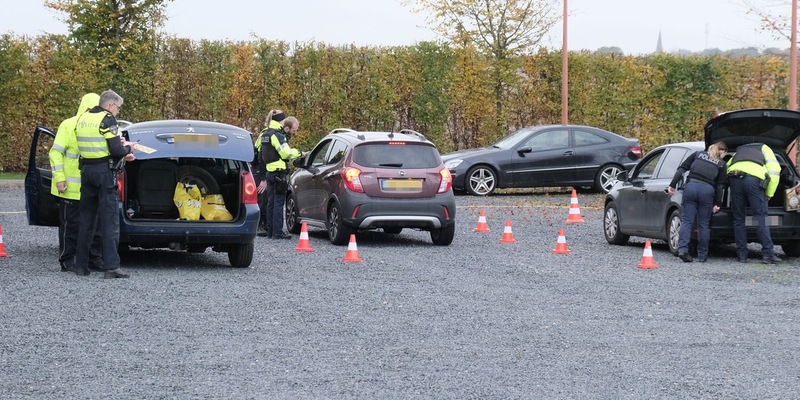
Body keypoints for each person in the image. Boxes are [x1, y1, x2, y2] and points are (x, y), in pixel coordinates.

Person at [73, 90, 138, 278]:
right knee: (109, 221)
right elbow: (116, 151)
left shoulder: (83, 118)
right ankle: (111, 267)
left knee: (86, 220)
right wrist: (129, 148)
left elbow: (94, 143)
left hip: (86, 171)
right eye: (118, 108)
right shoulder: (107, 119)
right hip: (104, 172)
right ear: (110, 105)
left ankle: (81, 266)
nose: (118, 112)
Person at [49, 93, 106, 273]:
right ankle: (67, 259)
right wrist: (59, 178)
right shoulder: (68, 125)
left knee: (95, 226)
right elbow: (55, 153)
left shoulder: (101, 125)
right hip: (70, 187)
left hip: (89, 185)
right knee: (70, 226)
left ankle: (92, 258)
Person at [667, 141, 728, 263]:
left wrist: (672, 185)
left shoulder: (697, 154)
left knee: (687, 221)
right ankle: (702, 255)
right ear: (722, 151)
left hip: (691, 187)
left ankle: (683, 250)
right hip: (707, 190)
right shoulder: (721, 164)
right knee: (703, 224)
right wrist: (718, 204)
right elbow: (720, 186)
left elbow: (681, 169)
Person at [727, 142, 782, 264]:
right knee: (760, 217)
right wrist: (769, 193)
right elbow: (775, 170)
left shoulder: (739, 150)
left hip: (735, 179)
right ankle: (768, 254)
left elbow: (727, 165)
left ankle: (742, 255)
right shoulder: (765, 148)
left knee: (738, 218)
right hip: (754, 181)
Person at [257, 115, 302, 239]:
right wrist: (299, 152)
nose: (295, 132)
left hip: (269, 173)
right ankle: (278, 232)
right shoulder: (277, 135)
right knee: (278, 203)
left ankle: (270, 231)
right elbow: (286, 153)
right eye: (294, 130)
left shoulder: (265, 134)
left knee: (270, 202)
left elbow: (259, 153)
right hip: (279, 173)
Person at [253, 109, 286, 237]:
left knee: (269, 199)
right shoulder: (271, 134)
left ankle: (268, 226)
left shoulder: (267, 133)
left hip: (264, 169)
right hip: (262, 169)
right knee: (264, 197)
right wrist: (262, 177)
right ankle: (262, 224)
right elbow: (260, 155)